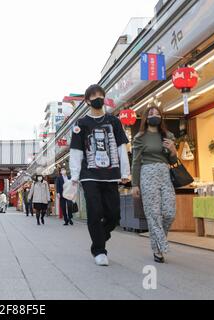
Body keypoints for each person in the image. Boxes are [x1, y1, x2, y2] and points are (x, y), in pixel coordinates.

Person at [70, 84, 130, 266]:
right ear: (87, 101)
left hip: (111, 174)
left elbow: (121, 148)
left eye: (100, 95)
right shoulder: (81, 124)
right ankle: (99, 250)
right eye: (94, 95)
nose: (98, 98)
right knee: (95, 211)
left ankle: (100, 237)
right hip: (89, 175)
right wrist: (75, 175)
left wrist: (125, 172)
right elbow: (76, 151)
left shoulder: (114, 121)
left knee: (114, 215)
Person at [132, 106, 178, 263]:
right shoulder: (140, 137)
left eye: (158, 113)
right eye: (151, 114)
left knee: (170, 212)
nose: (155, 116)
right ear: (146, 117)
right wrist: (135, 184)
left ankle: (159, 243)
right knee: (153, 213)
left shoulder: (168, 135)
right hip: (147, 174)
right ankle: (159, 249)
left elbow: (173, 161)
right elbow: (136, 162)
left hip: (165, 174)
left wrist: (173, 150)